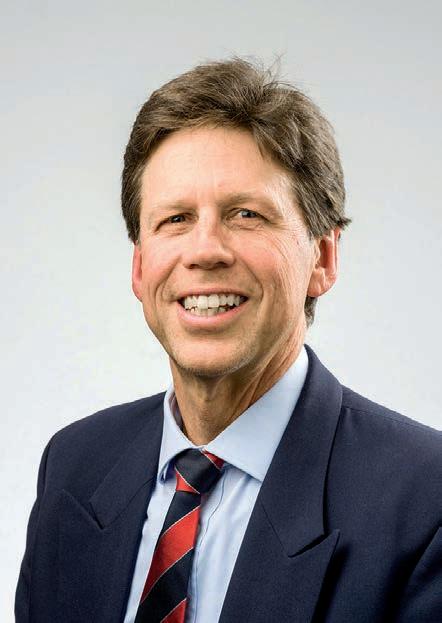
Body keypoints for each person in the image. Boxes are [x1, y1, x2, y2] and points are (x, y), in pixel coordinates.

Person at [15, 58, 441, 623]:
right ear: (139, 268)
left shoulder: (425, 500)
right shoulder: (74, 467)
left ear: (323, 258)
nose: (205, 250)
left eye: (246, 214)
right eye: (175, 219)